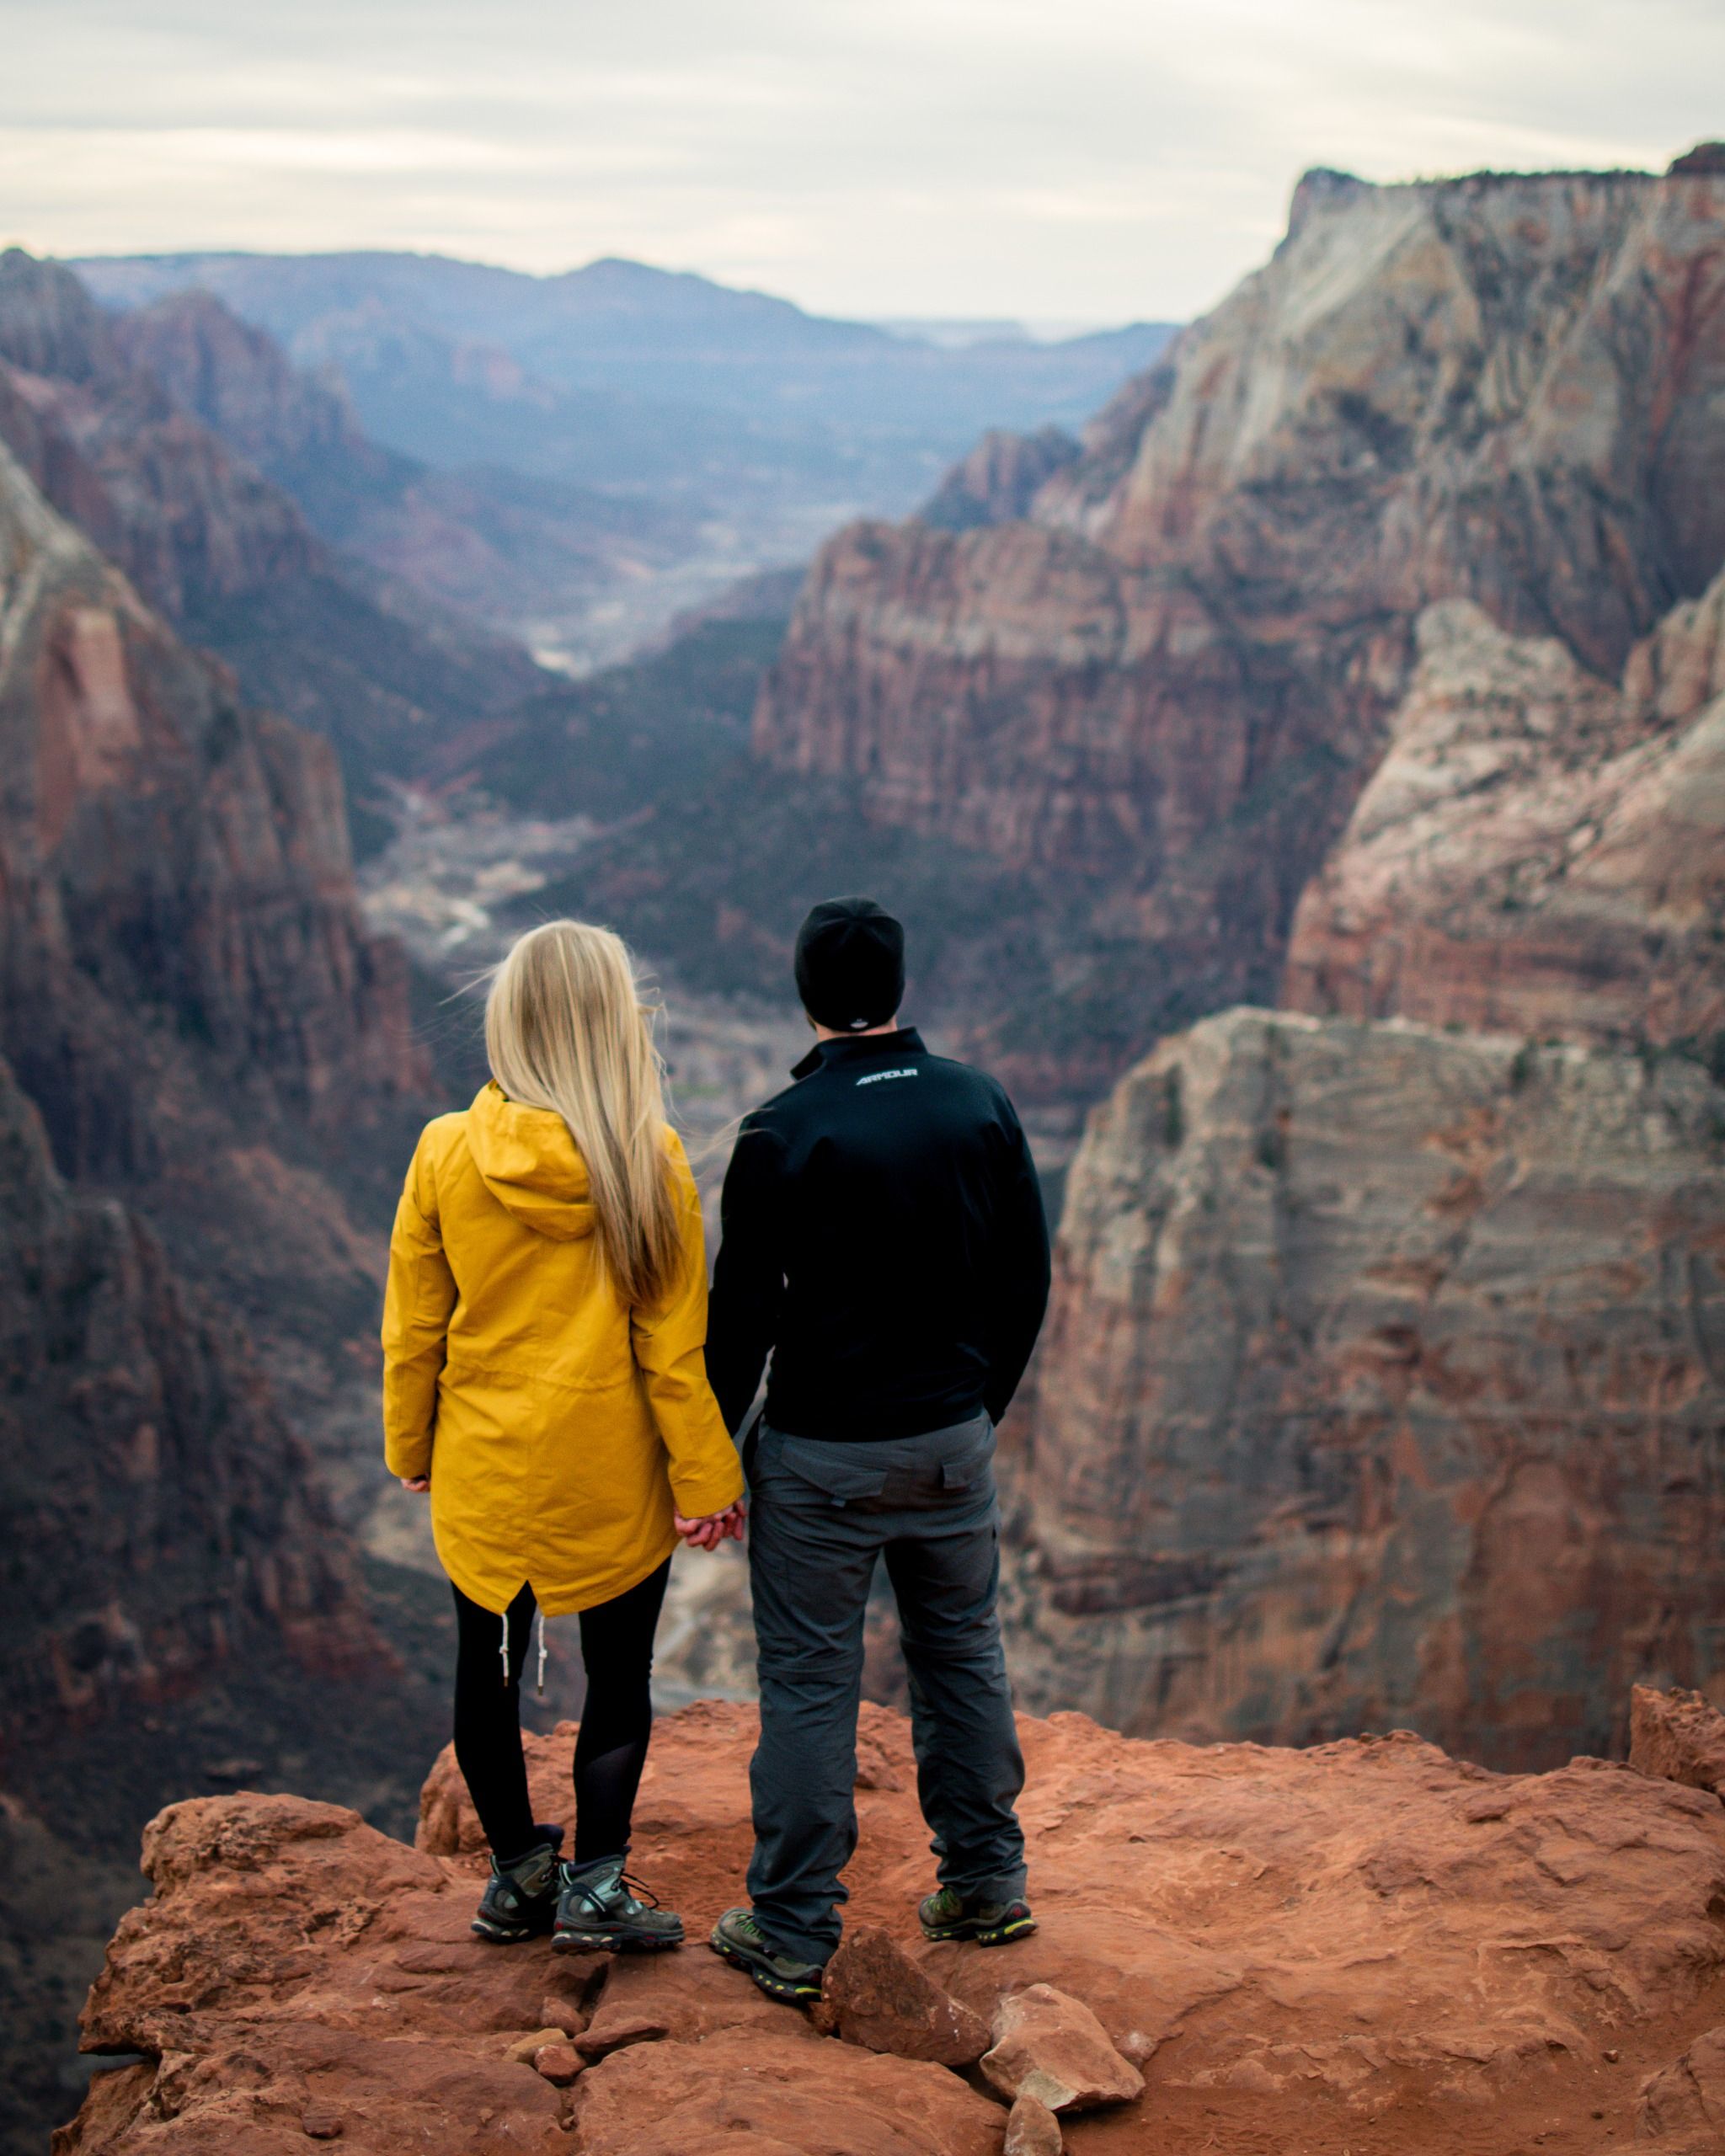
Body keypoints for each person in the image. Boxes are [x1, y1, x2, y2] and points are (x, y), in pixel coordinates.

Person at [704, 895, 1051, 2002]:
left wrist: (708, 1456)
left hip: (820, 1459)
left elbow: (742, 1318)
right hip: (949, 1441)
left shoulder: (780, 1130)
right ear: (899, 987)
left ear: (805, 994)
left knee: (811, 1682)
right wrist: (977, 1409)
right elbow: (1025, 1276)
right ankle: (985, 1885)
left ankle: (793, 1930)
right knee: (962, 1653)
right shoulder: (977, 1101)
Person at [382, 920, 745, 1953]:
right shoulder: (648, 1158)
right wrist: (706, 1480)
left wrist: (410, 1446)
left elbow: (413, 1328)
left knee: (483, 1671)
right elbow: (672, 1351)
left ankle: (516, 1877)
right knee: (618, 1679)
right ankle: (596, 1887)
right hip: (608, 1472)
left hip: (487, 1464)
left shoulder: (445, 1150)